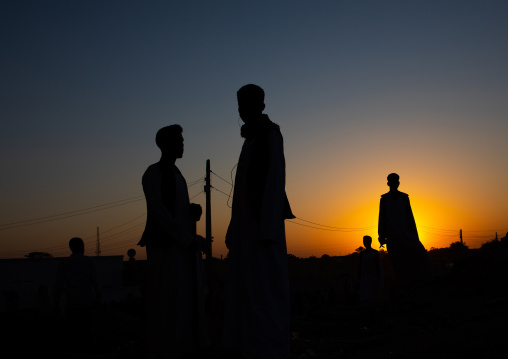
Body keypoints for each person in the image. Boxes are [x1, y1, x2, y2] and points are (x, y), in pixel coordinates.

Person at [223, 84, 295, 359]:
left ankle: (269, 348)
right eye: (240, 105)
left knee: (265, 290)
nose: (243, 110)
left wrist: (266, 230)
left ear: (261, 106)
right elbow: (242, 189)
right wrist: (234, 227)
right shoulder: (251, 138)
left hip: (262, 230)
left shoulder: (269, 135)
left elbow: (275, 182)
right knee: (248, 288)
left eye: (249, 104)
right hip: (247, 228)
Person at [137, 125, 209, 359]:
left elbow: (175, 210)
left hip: (181, 247)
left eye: (182, 140)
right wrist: (186, 239)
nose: (182, 144)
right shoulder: (154, 173)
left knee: (183, 299)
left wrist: (190, 211)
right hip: (166, 247)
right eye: (178, 140)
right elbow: (159, 212)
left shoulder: (177, 174)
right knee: (167, 299)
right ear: (165, 144)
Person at [378, 173, 433, 291]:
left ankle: (423, 282)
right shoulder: (384, 199)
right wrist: (381, 236)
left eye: (396, 181)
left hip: (407, 234)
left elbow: (410, 217)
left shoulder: (404, 197)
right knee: (398, 264)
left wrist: (415, 235)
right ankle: (403, 288)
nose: (394, 183)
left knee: (419, 254)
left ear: (398, 183)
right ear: (388, 183)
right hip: (393, 236)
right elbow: (381, 218)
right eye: (392, 181)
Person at [54, 237, 101, 354]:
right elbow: (96, 282)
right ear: (82, 247)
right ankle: (90, 351)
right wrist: (99, 300)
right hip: (87, 301)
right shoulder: (89, 261)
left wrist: (56, 303)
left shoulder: (64, 263)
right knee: (88, 329)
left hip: (71, 302)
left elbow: (59, 286)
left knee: (72, 331)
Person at [357, 236, 384, 302]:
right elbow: (359, 266)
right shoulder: (362, 254)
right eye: (364, 241)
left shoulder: (376, 253)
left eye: (367, 241)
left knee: (374, 295)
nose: (365, 243)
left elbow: (379, 266)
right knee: (366, 295)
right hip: (365, 277)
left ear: (370, 242)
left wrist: (380, 277)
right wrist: (359, 278)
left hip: (374, 277)